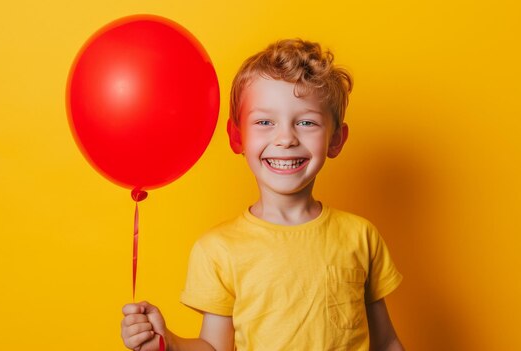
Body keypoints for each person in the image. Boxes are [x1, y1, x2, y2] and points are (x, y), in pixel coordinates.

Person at [121, 38, 404, 351]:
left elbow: (386, 342)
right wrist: (168, 343)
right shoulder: (218, 250)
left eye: (307, 122)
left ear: (336, 138)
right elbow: (216, 347)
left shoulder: (361, 236)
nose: (285, 138)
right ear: (236, 136)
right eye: (265, 122)